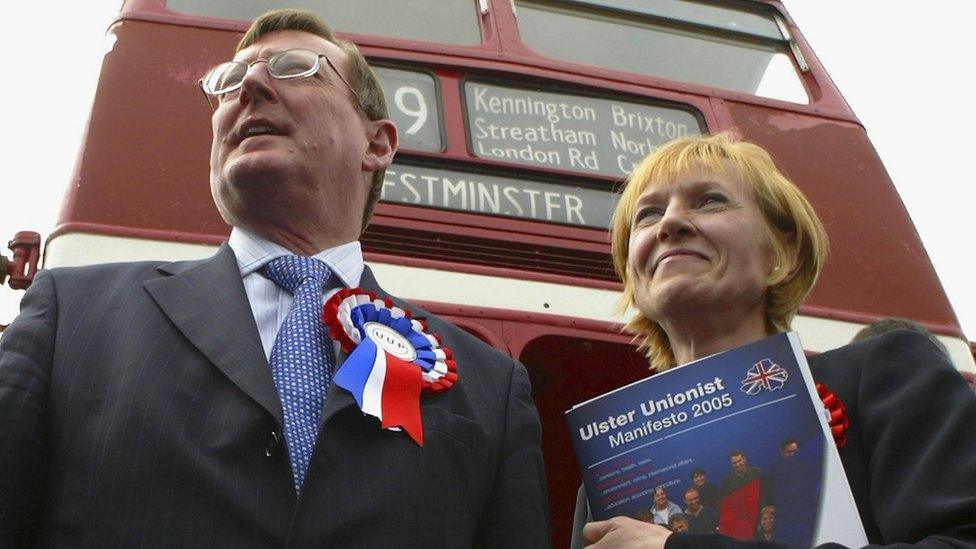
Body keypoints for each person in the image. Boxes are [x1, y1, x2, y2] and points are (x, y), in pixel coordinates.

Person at [0, 9, 549, 547]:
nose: (251, 85)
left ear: (377, 144)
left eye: (294, 68)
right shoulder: (70, 316)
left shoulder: (491, 391)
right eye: (230, 79)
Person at [571, 132, 976, 548]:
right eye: (648, 215)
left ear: (782, 254)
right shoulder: (604, 474)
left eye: (710, 200)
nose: (670, 224)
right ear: (633, 276)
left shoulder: (886, 373)